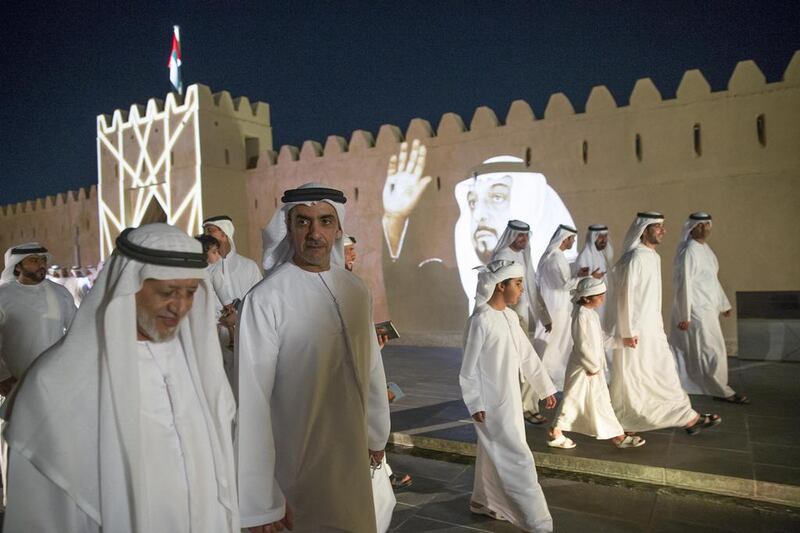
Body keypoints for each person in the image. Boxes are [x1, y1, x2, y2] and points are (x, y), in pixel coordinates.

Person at [3, 224, 239, 532]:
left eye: (190, 292)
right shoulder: (55, 386)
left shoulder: (197, 367)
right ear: (127, 286)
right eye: (167, 292)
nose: (180, 307)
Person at [238, 183, 391, 532]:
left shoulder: (355, 290)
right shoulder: (265, 300)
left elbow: (370, 368)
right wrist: (262, 499)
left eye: (325, 221)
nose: (314, 233)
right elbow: (252, 402)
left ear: (338, 229)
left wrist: (376, 434)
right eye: (303, 222)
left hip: (351, 454)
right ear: (288, 228)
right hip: (296, 465)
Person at [460, 259, 555, 532]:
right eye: (517, 284)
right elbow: (469, 369)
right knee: (518, 458)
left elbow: (527, 357)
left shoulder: (510, 317)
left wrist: (545, 388)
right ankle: (538, 521)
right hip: (491, 404)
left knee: (494, 453)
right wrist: (475, 401)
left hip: (509, 399)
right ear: (500, 285)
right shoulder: (480, 321)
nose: (522, 290)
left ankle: (484, 501)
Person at [610, 212, 721, 435]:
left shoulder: (652, 256)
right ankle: (638, 420)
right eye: (658, 227)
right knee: (641, 377)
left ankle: (685, 416)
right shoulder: (636, 258)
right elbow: (626, 297)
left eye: (663, 226)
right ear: (644, 230)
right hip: (637, 333)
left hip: (653, 329)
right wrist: (629, 331)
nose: (664, 231)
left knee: (663, 373)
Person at [0, 242, 77, 509]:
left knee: (55, 444)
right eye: (34, 260)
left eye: (43, 260)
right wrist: (3, 376)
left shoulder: (60, 294)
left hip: (54, 384)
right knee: (16, 442)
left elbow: (75, 334)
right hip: (15, 384)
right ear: (17, 266)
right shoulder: (3, 296)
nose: (41, 265)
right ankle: (15, 507)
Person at [548, 277, 646, 449]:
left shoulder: (590, 314)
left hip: (592, 368)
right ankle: (555, 432)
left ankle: (617, 436)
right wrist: (592, 367)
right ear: (586, 298)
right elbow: (582, 344)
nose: (602, 299)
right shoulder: (580, 316)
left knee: (595, 401)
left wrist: (624, 341)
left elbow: (601, 339)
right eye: (599, 296)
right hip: (584, 368)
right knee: (574, 400)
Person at [670, 213, 748, 404]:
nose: (704, 229)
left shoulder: (706, 249)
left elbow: (712, 279)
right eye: (700, 226)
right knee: (710, 349)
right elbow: (684, 284)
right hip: (695, 308)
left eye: (707, 225)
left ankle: (705, 385)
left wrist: (723, 304)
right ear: (691, 228)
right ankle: (722, 391)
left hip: (709, 307)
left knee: (709, 349)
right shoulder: (689, 251)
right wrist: (685, 314)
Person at [491, 220, 553, 425]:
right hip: (506, 318)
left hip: (520, 318)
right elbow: (497, 290)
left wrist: (544, 317)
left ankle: (526, 406)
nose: (523, 240)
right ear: (511, 236)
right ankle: (517, 408)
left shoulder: (523, 255)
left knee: (524, 362)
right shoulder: (502, 257)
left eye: (526, 236)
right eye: (519, 236)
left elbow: (531, 289)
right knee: (512, 365)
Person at [536, 225, 599, 390]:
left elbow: (563, 281)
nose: (573, 242)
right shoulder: (554, 258)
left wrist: (579, 275)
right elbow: (563, 285)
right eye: (572, 239)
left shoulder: (558, 257)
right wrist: (588, 277)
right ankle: (543, 379)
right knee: (550, 347)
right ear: (565, 239)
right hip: (555, 310)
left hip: (560, 308)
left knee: (558, 346)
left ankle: (551, 379)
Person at [202, 215, 262, 381]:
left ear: (224, 234)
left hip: (242, 338)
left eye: (210, 230)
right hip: (210, 338)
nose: (206, 233)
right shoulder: (201, 270)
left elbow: (258, 304)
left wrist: (238, 316)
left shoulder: (248, 267)